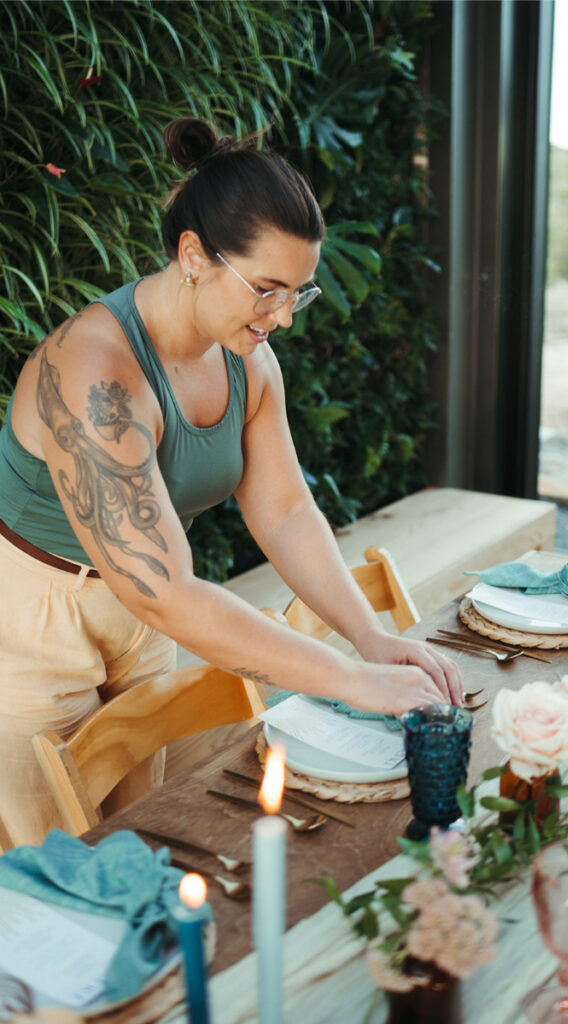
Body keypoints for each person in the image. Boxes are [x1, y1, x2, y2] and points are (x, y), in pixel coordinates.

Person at [0, 117, 463, 848]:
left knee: (147, 836)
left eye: (298, 293)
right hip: (29, 624)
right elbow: (172, 592)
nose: (281, 317)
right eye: (267, 289)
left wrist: (368, 637)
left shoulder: (246, 359)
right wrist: (350, 679)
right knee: (53, 871)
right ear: (193, 255)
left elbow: (282, 511)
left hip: (139, 621)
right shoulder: (94, 370)